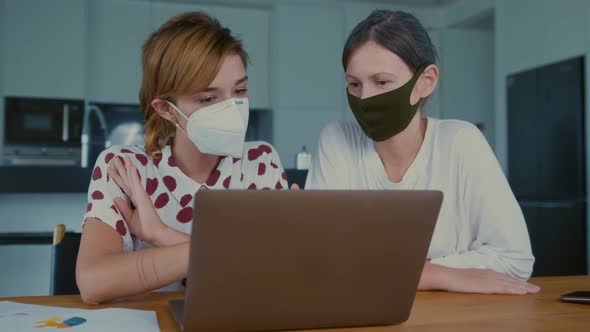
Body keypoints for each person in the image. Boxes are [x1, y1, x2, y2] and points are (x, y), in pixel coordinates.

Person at [305, 10, 540, 295]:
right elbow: (323, 262)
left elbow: (515, 261)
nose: (365, 98)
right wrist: (439, 274)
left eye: (382, 82)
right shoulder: (337, 139)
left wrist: (405, 272)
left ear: (425, 81)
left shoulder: (461, 141)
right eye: (354, 84)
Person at [76, 12, 288, 304]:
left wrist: (161, 234)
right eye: (208, 98)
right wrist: (230, 256)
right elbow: (93, 281)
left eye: (239, 91)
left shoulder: (261, 162)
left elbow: (274, 282)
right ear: (166, 109)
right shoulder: (124, 168)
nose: (232, 108)